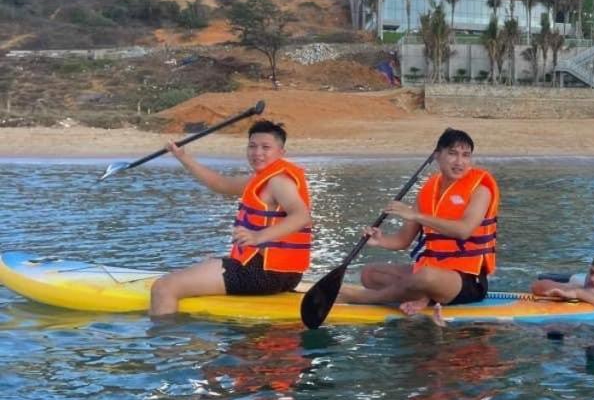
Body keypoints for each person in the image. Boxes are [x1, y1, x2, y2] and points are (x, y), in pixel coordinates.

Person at [150, 119, 312, 316]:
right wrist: (183, 157)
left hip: (261, 274)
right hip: (285, 275)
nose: (257, 152)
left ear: (281, 152)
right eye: (252, 146)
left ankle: (163, 342)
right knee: (209, 262)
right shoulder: (263, 179)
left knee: (164, 287)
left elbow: (301, 216)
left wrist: (259, 237)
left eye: (265, 147)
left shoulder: (278, 181)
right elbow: (221, 184)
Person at [339, 128, 499, 312]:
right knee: (370, 274)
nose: (460, 162)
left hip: (468, 279)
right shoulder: (427, 191)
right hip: (431, 269)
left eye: (466, 155)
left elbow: (464, 230)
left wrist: (416, 215)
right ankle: (424, 296)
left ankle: (361, 297)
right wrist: (380, 240)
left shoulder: (480, 191)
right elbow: (402, 241)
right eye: (452, 154)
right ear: (437, 155)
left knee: (425, 277)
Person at [530, 254, 594, 318]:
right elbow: (537, 285)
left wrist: (579, 294)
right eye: (591, 272)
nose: (593, 279)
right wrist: (564, 290)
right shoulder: (575, 288)